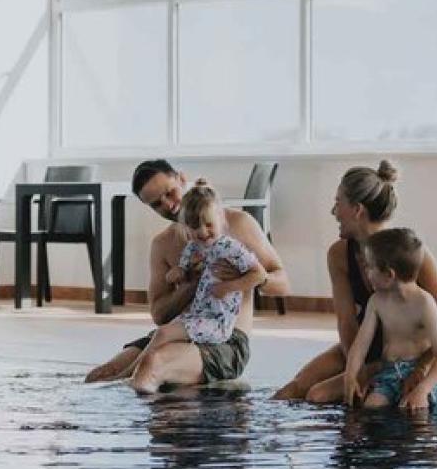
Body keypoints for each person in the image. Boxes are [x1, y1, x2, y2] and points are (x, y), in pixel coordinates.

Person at [272, 160, 437, 409]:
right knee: (295, 388)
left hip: (409, 356)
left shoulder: (410, 253)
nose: (333, 212)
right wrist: (358, 369)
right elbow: (346, 322)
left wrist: (422, 369)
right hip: (365, 349)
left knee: (317, 395)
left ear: (357, 209)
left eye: (337, 203)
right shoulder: (339, 254)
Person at [84, 159, 290, 388]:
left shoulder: (237, 223)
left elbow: (283, 283)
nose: (169, 205)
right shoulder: (162, 244)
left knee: (151, 366)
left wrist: (246, 279)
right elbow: (160, 314)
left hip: (226, 339)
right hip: (185, 327)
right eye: (157, 204)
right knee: (100, 376)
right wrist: (190, 284)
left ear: (182, 179)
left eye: (170, 193)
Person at [127, 180, 266, 393]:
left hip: (218, 324)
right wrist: (178, 274)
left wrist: (231, 285)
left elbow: (260, 274)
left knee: (159, 346)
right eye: (194, 226)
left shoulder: (231, 247)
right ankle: (128, 371)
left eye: (208, 225)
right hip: (196, 317)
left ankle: (130, 372)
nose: (202, 232)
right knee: (159, 335)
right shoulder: (193, 247)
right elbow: (165, 302)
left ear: (220, 218)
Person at [343, 228, 437, 410]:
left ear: (389, 275)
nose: (367, 273)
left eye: (370, 267)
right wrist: (350, 377)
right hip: (389, 372)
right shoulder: (376, 301)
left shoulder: (424, 303)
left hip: (421, 376)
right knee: (370, 407)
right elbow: (360, 346)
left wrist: (423, 390)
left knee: (413, 410)